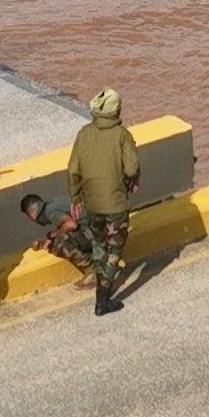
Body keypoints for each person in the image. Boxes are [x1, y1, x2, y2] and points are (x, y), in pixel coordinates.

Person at [66, 87, 141, 311]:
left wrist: (76, 197)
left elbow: (72, 171)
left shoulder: (84, 133)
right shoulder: (122, 135)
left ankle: (100, 285)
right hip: (115, 204)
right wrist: (134, 179)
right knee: (114, 250)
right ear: (116, 110)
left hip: (92, 204)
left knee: (99, 245)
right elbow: (131, 168)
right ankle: (102, 299)